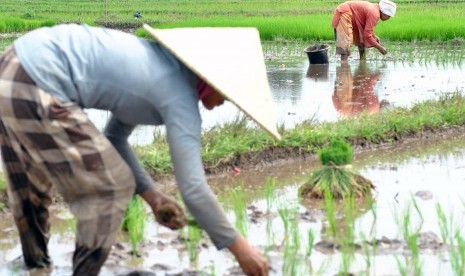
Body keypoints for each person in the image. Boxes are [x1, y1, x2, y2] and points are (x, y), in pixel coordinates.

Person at [0, 23, 281, 275]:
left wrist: (154, 198)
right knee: (112, 187)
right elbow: (194, 190)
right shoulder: (180, 97)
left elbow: (114, 137)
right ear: (211, 80)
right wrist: (243, 250)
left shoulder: (160, 65)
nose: (228, 101)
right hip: (37, 79)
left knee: (31, 188)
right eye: (229, 93)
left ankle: (37, 267)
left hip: (12, 67)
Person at [332, 0, 397, 62]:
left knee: (361, 41)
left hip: (353, 17)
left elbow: (367, 31)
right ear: (384, 12)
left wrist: (374, 36)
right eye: (388, 16)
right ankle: (344, 67)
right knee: (345, 44)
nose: (388, 18)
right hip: (344, 13)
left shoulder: (374, 10)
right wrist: (379, 47)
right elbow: (367, 34)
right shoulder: (374, 14)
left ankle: (362, 62)